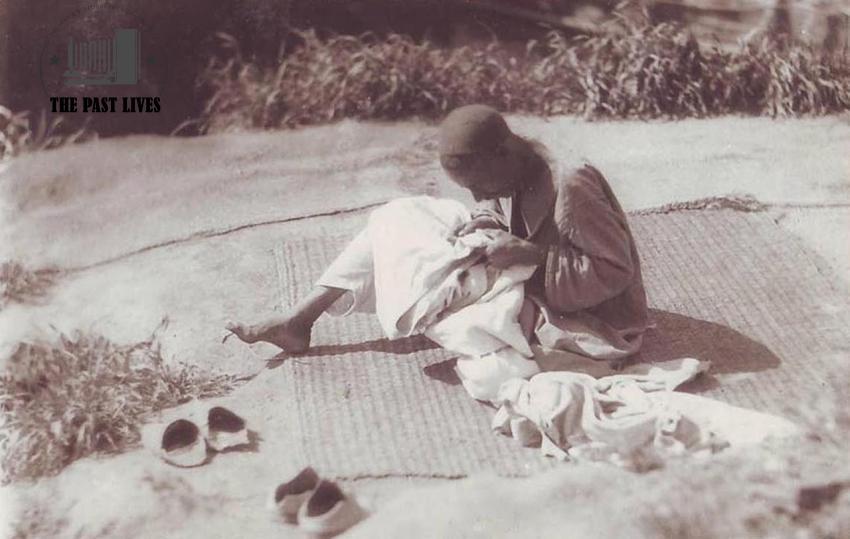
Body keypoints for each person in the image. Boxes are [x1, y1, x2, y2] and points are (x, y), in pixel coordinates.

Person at [226, 104, 649, 361]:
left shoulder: (570, 181)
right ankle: (301, 319)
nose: (479, 195)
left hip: (569, 309)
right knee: (398, 216)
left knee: (421, 278)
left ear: (503, 154)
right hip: (515, 270)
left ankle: (309, 321)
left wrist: (530, 257)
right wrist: (485, 219)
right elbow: (499, 206)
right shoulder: (516, 161)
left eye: (480, 186)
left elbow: (615, 271)